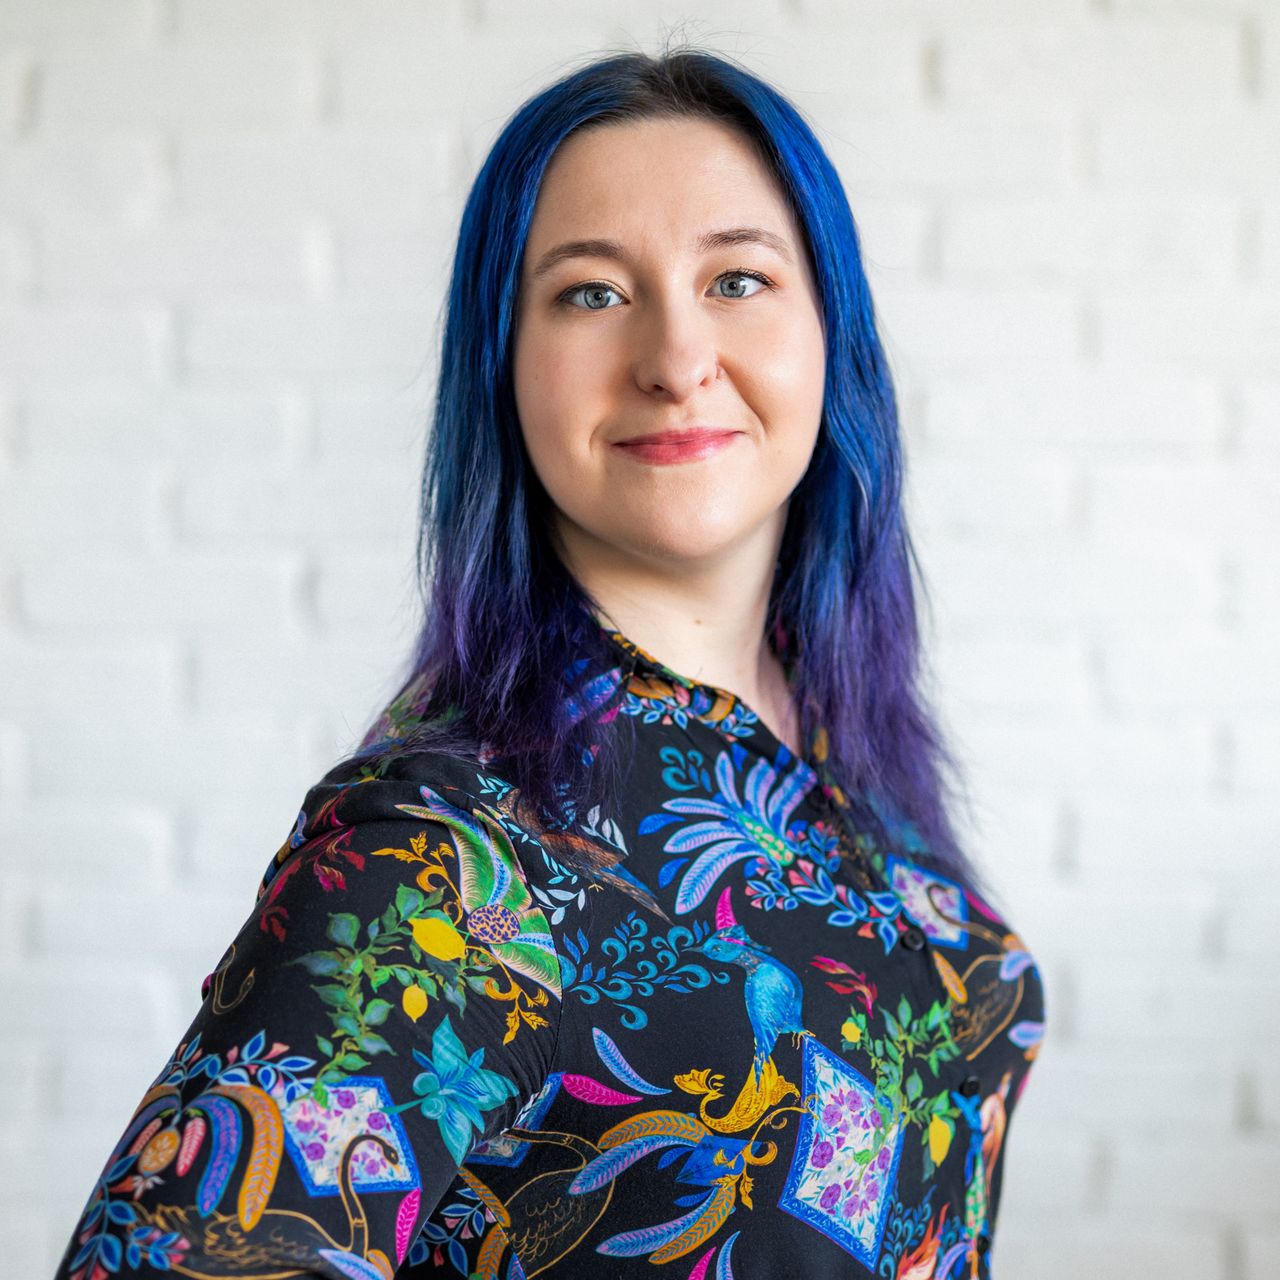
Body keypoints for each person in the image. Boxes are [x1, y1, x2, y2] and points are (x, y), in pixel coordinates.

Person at [54, 44, 1046, 1280]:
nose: (675, 356)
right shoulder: (452, 846)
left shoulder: (841, 749)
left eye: (737, 278)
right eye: (590, 293)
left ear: (829, 332)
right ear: (503, 364)